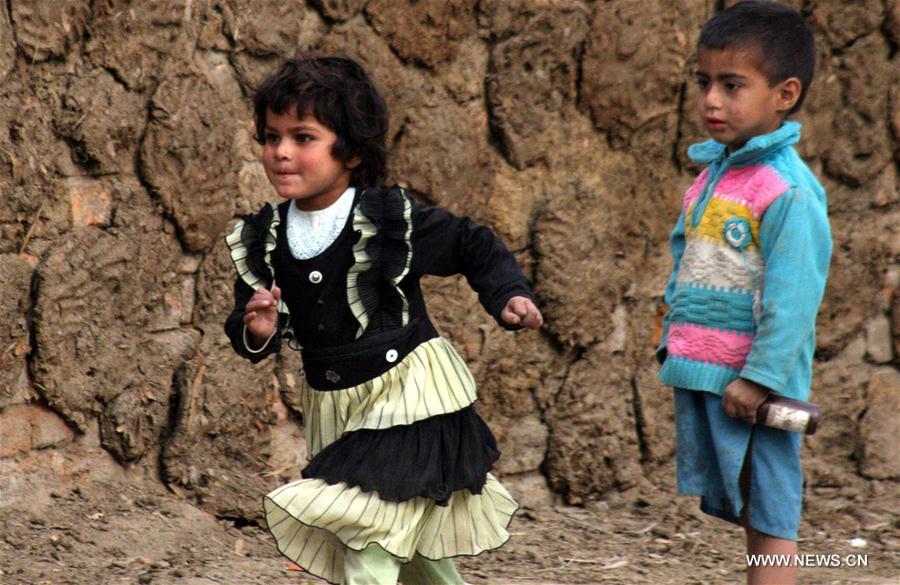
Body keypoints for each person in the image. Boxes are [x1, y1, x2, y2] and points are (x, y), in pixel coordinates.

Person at [223, 55, 542, 585]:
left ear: (348, 149)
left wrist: (507, 294)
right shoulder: (266, 237)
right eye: (270, 137)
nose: (280, 152)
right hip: (335, 409)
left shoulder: (389, 219)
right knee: (411, 547)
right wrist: (256, 330)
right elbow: (248, 321)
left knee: (368, 542)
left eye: (303, 138)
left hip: (410, 398)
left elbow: (471, 244)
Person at [656, 2, 832, 584]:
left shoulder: (785, 190)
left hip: (753, 384)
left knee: (770, 510)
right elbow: (688, 264)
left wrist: (760, 378)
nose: (711, 100)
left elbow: (795, 298)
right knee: (751, 506)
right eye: (704, 83)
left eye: (732, 86)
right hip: (714, 373)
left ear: (785, 94)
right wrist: (672, 341)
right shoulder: (714, 175)